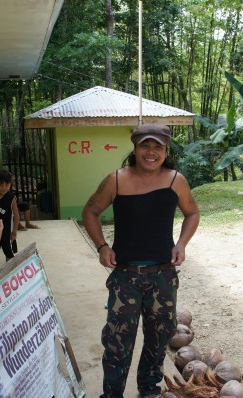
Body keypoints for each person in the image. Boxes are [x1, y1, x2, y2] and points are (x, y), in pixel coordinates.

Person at [82, 124, 200, 398]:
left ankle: (149, 390)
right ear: (135, 148)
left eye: (158, 147)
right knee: (117, 343)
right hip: (125, 277)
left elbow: (192, 213)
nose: (151, 152)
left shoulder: (175, 180)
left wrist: (181, 244)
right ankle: (112, 394)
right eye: (145, 146)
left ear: (165, 150)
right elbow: (91, 211)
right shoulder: (116, 180)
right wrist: (101, 246)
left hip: (163, 277)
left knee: (159, 339)